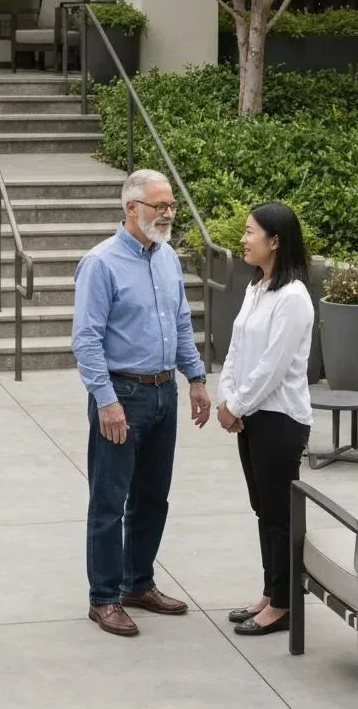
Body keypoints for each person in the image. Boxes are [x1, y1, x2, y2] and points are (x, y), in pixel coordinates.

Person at [72, 168, 212, 637]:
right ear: (131, 208)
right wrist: (105, 400)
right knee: (110, 501)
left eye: (171, 205)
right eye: (160, 206)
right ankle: (104, 597)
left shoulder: (167, 256)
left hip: (163, 393)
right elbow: (86, 341)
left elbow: (180, 320)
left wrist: (194, 376)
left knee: (153, 497)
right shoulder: (101, 263)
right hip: (122, 396)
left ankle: (139, 583)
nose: (169, 213)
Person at [216, 202, 314, 636]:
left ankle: (285, 602)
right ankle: (271, 593)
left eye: (250, 231)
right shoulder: (257, 288)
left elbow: (273, 367)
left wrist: (235, 406)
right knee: (263, 509)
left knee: (278, 513)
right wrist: (226, 397)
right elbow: (236, 350)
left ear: (275, 241)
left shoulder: (293, 298)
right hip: (252, 416)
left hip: (279, 420)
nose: (243, 238)